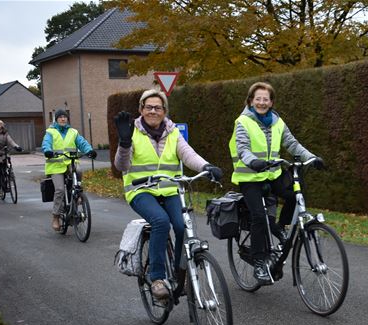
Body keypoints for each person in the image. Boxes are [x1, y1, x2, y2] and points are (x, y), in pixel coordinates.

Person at [114, 89, 223, 302]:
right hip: (140, 191)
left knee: (183, 225)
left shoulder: (172, 132)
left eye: (158, 107)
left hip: (170, 189)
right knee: (161, 221)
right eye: (148, 107)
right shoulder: (132, 132)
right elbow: (121, 165)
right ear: (141, 109)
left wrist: (206, 166)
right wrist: (124, 144)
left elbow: (187, 153)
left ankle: (179, 273)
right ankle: (157, 278)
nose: (153, 111)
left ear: (165, 111)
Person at [229, 81, 324, 284]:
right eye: (258, 99)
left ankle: (280, 227)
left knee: (295, 196)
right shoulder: (243, 122)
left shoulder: (277, 121)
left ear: (271, 102)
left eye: (266, 99)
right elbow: (242, 148)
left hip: (272, 173)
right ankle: (259, 263)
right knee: (258, 217)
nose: (262, 102)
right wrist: (253, 161)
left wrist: (312, 157)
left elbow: (291, 143)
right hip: (250, 176)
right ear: (251, 101)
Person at [41, 109, 97, 231]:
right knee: (60, 190)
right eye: (60, 117)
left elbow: (82, 143)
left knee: (79, 170)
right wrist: (48, 151)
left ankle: (77, 194)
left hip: (70, 162)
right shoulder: (50, 132)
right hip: (56, 166)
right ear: (56, 119)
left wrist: (89, 151)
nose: (63, 119)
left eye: (65, 117)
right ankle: (56, 216)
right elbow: (46, 144)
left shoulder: (73, 132)